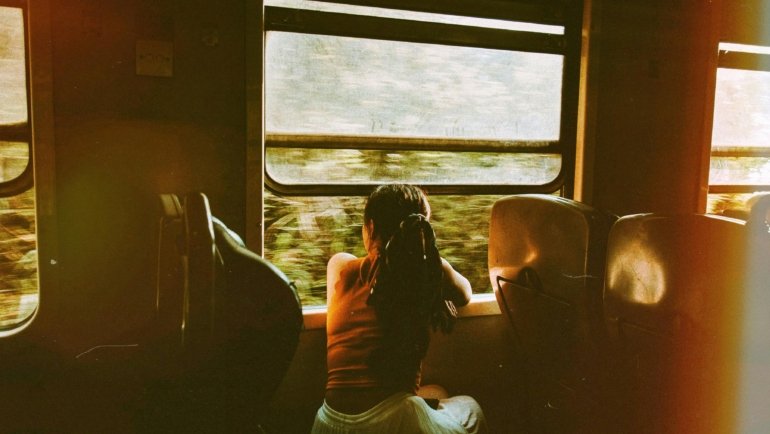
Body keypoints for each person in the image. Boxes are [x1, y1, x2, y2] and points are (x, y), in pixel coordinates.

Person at [312, 183, 487, 433]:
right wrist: (433, 272)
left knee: (436, 392)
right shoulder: (426, 274)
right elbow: (465, 293)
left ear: (370, 227)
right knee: (470, 407)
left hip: (331, 421)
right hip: (396, 420)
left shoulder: (339, 267)